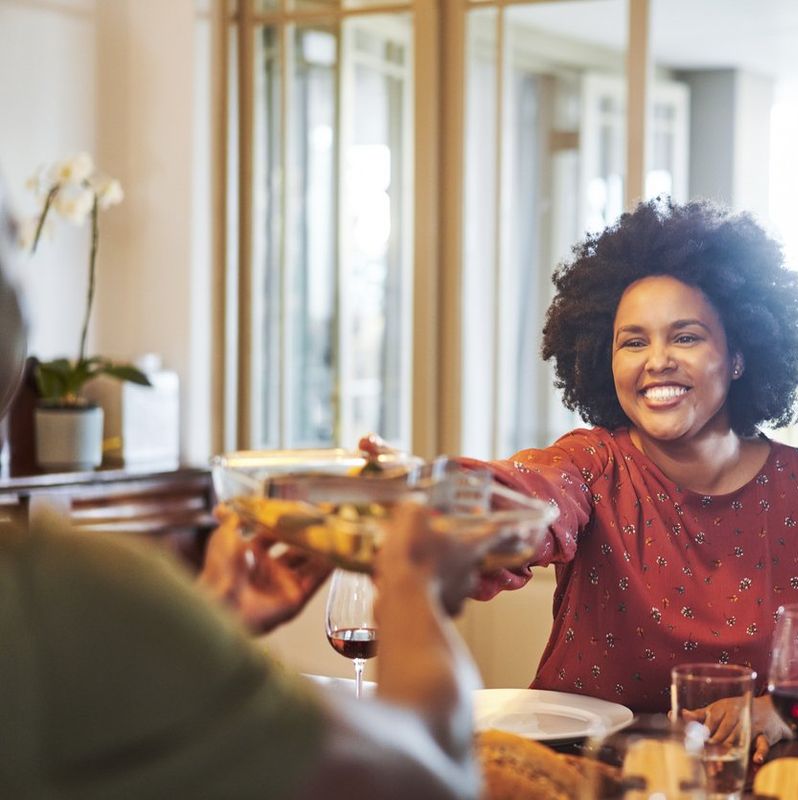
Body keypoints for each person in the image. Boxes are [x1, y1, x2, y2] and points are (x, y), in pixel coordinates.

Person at [0, 179, 479, 799]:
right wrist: (414, 586)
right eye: (11, 244)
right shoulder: (48, 591)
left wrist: (208, 619)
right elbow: (430, 780)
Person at [464, 198, 798, 761]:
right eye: (633, 341)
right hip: (585, 778)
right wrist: (437, 497)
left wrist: (774, 712)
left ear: (738, 355)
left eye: (686, 337)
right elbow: (527, 495)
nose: (657, 361)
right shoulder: (593, 464)